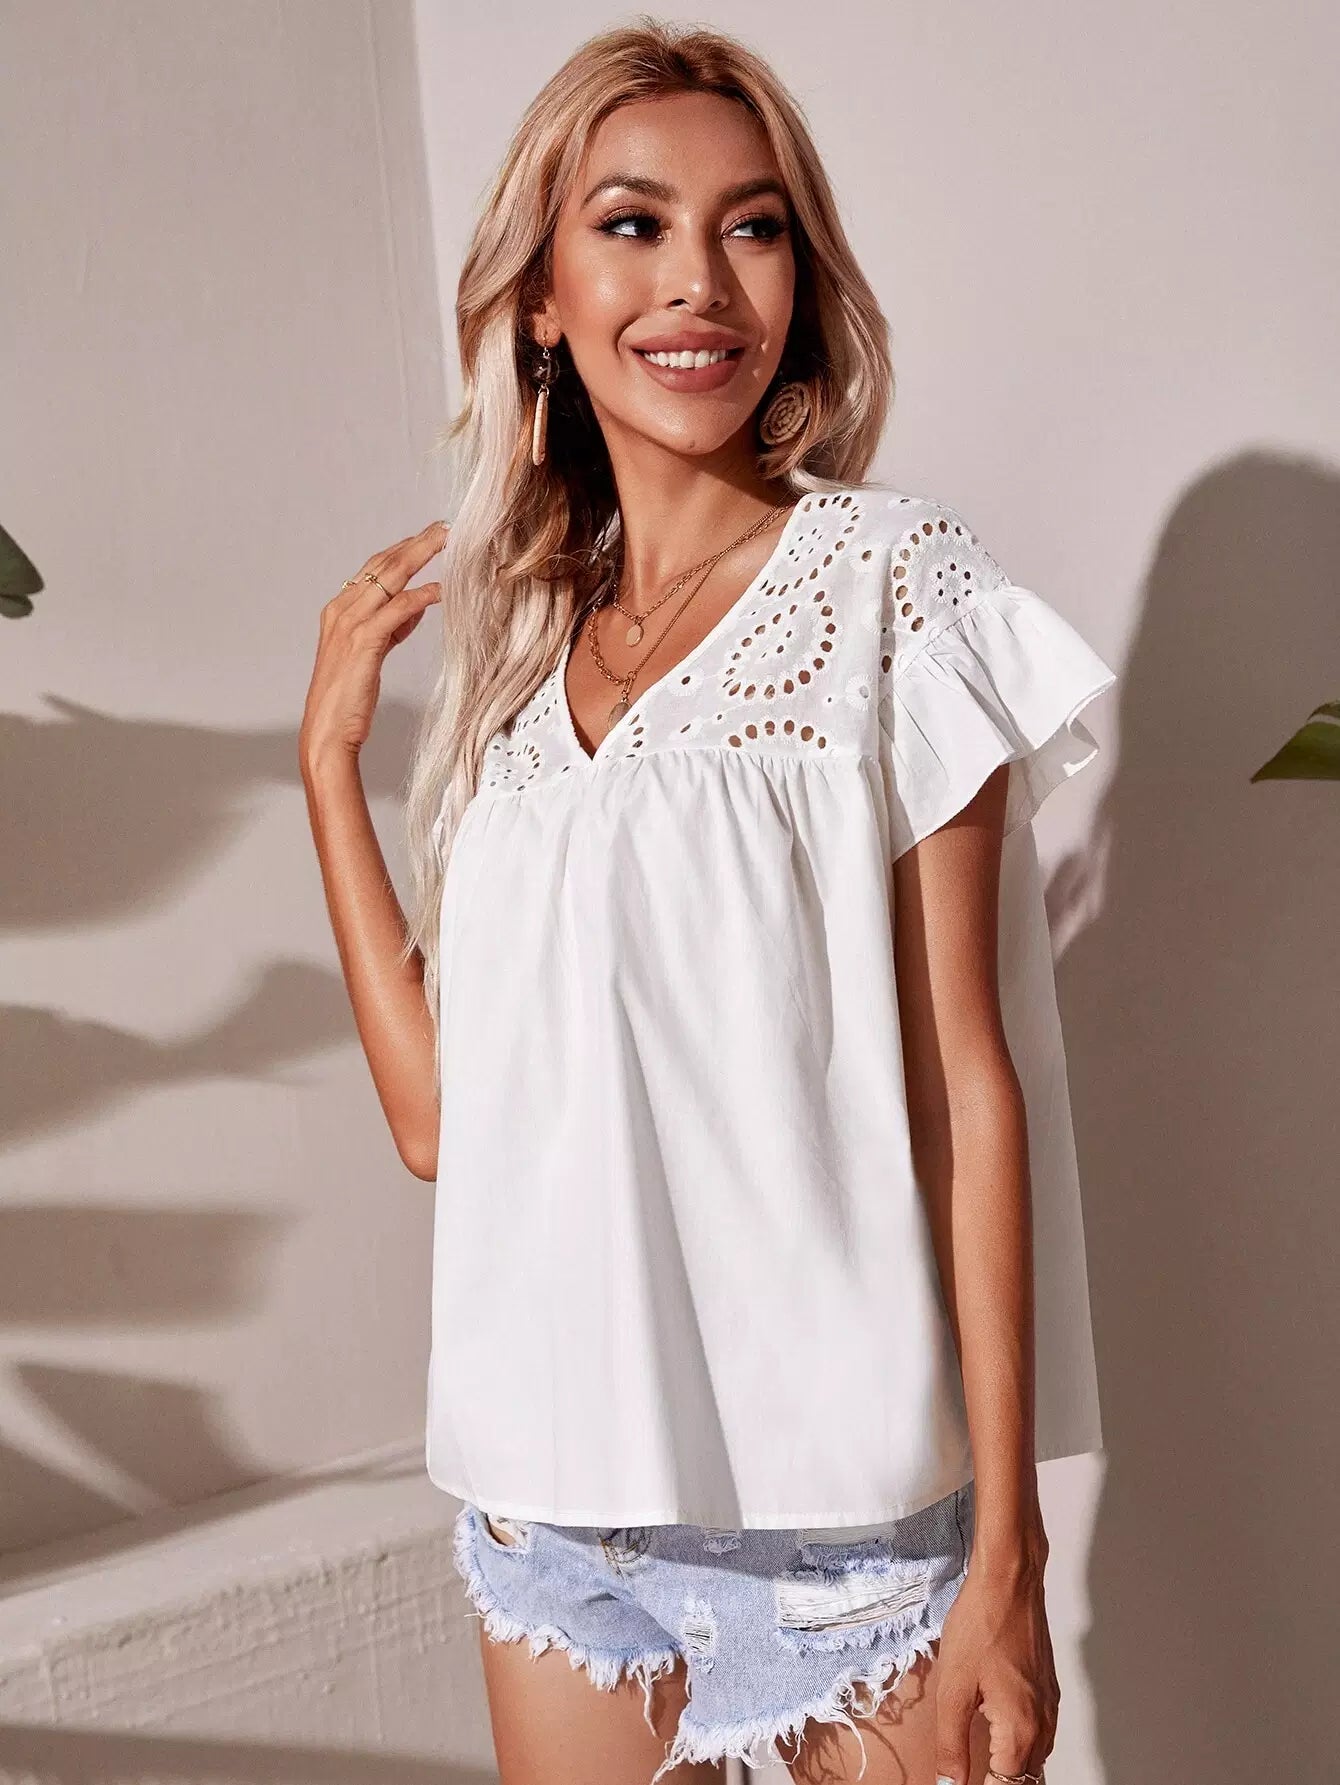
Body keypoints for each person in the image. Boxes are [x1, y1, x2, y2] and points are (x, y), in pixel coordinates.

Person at [299, 19, 1118, 1785]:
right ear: (539, 298)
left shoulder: (895, 583)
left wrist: (1010, 1555)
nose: (700, 282)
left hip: (857, 1532)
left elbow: (967, 1087)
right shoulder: (521, 662)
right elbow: (443, 1122)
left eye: (752, 227)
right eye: (633, 223)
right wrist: (328, 767)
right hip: (552, 1518)